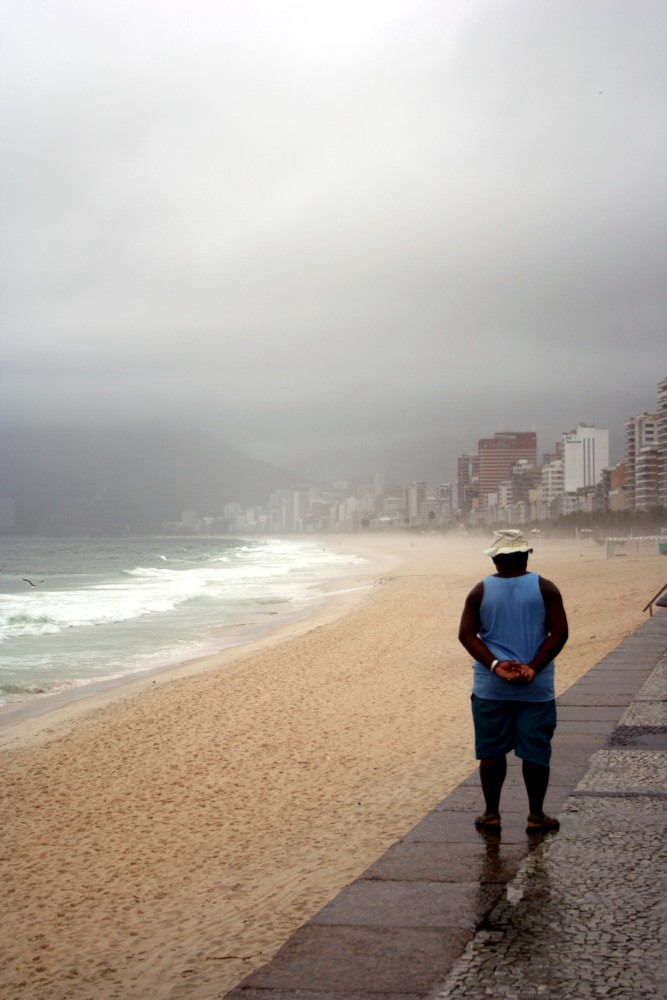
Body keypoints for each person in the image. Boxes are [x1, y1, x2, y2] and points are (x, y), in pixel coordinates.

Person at [458, 529, 569, 834]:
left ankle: (492, 814)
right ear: (526, 555)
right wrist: (532, 667)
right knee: (535, 751)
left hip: (491, 687)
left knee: (492, 752)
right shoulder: (545, 588)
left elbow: (466, 634)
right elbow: (559, 633)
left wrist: (495, 665)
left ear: (495, 558)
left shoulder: (479, 591)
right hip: (536, 686)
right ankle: (536, 816)